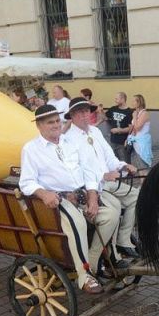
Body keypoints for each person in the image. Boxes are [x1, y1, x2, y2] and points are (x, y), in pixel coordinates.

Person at [19, 104, 104, 295]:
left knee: (111, 216)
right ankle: (84, 275)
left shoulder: (69, 142)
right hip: (57, 199)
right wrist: (44, 194)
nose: (56, 125)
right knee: (78, 223)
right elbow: (26, 182)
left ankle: (93, 261)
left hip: (81, 194)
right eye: (50, 122)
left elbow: (89, 171)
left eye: (57, 120)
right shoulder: (31, 149)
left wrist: (93, 197)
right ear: (39, 125)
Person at [63, 97, 140, 265]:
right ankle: (105, 254)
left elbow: (109, 157)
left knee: (137, 196)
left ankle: (124, 240)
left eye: (87, 111)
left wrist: (123, 165)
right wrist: (103, 176)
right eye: (80, 112)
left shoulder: (95, 131)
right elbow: (77, 171)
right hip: (92, 187)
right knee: (115, 207)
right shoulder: (68, 139)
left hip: (108, 182)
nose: (85, 115)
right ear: (72, 116)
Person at [126, 94, 153, 168]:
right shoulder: (136, 113)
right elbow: (133, 128)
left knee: (142, 166)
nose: (132, 102)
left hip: (142, 143)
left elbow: (137, 127)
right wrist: (128, 138)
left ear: (139, 102)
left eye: (134, 101)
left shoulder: (144, 113)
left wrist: (134, 117)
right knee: (137, 166)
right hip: (135, 141)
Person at [105, 92, 133, 162]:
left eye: (117, 99)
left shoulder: (129, 112)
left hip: (123, 142)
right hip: (113, 140)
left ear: (123, 99)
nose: (115, 100)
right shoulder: (113, 109)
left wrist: (119, 130)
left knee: (125, 162)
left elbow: (131, 128)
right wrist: (99, 111)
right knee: (114, 161)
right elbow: (105, 117)